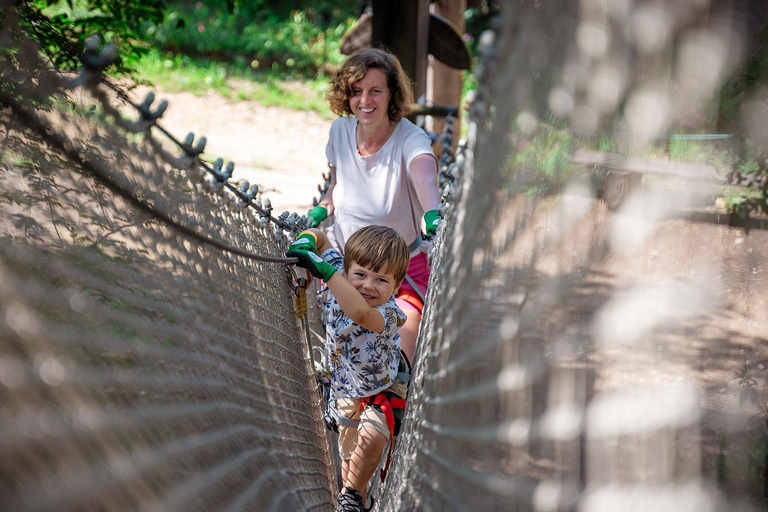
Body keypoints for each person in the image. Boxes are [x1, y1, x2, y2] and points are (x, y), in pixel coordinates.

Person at [305, 48, 441, 367]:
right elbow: (337, 187)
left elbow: (424, 178)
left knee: (398, 350)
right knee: (344, 355)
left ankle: (388, 403)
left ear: (391, 94)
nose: (365, 100)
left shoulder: (410, 138)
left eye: (375, 90)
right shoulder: (340, 131)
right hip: (345, 267)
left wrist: (433, 212)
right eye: (356, 91)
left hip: (397, 272)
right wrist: (321, 209)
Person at [287, 226, 411, 512]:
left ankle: (351, 497)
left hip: (385, 387)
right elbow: (318, 235)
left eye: (381, 280)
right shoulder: (336, 269)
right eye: (361, 275)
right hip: (345, 388)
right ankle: (361, 497)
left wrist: (328, 275)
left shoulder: (391, 313)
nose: (368, 285)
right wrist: (307, 240)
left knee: (372, 437)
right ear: (346, 267)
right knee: (350, 457)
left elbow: (361, 314)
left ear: (396, 286)